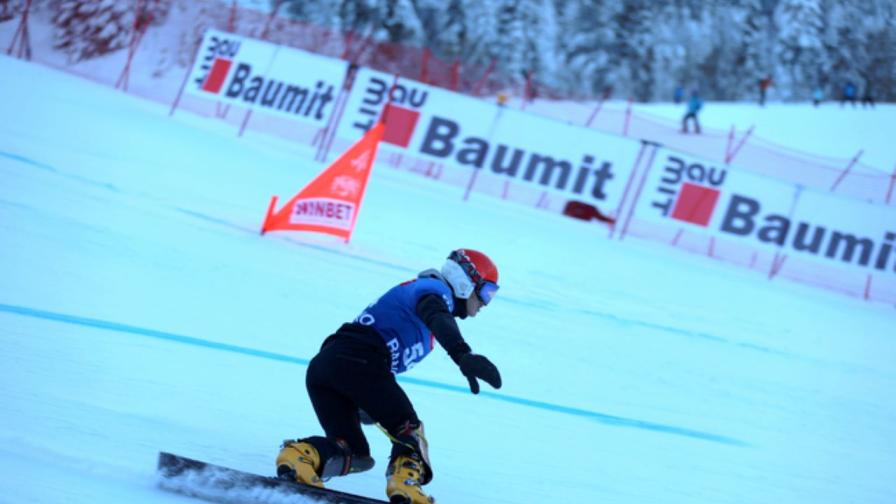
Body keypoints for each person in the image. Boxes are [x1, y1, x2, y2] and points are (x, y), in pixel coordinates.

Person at [276, 249, 503, 504]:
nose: (485, 303)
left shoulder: (425, 297)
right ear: (465, 282)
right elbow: (435, 314)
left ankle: (299, 458)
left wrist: (365, 399)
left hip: (327, 367)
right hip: (357, 359)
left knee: (355, 454)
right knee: (410, 430)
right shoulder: (434, 291)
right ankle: (405, 487)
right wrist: (462, 355)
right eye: (486, 292)